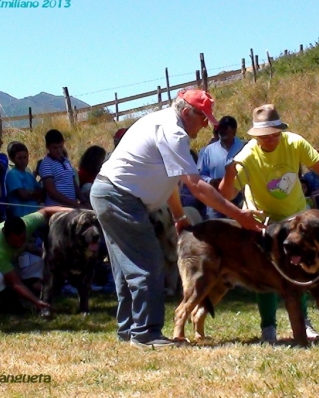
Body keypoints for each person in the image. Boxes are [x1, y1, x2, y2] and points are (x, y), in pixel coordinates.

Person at [91, 89, 264, 349]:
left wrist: (179, 214)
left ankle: (128, 329)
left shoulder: (162, 123)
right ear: (186, 112)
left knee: (126, 268)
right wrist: (238, 215)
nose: (207, 124)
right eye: (203, 117)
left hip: (110, 194)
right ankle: (146, 334)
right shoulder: (174, 132)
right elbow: (196, 186)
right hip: (120, 198)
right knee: (148, 263)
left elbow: (171, 179)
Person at [219, 104, 319, 342]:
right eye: (266, 137)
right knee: (266, 275)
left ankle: (304, 323)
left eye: (275, 134)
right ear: (256, 136)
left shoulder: (294, 142)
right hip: (263, 223)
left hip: (296, 218)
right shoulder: (246, 156)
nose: (272, 139)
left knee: (302, 271)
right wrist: (230, 174)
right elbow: (226, 194)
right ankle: (268, 328)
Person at [0, 206, 70, 313]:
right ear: (5, 234)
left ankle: (29, 287)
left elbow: (46, 210)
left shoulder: (28, 223)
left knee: (37, 262)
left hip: (9, 261)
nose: (19, 244)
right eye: (15, 242)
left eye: (22, 239)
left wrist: (77, 212)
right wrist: (37, 302)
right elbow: (15, 282)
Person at [197, 116, 245, 218]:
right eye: (220, 129)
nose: (221, 131)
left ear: (234, 130)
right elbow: (200, 175)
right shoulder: (208, 151)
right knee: (216, 231)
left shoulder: (244, 148)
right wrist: (211, 181)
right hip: (215, 199)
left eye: (225, 129)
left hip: (240, 199)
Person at [38, 129, 90, 208]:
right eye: (55, 148)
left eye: (60, 147)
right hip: (56, 207)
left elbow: (74, 184)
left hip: (71, 206)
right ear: (47, 147)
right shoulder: (46, 164)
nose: (58, 151)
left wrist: (84, 201)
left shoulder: (66, 161)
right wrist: (75, 204)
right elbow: (51, 192)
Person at [5, 143, 42, 218]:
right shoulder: (12, 174)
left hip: (34, 214)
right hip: (20, 216)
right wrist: (34, 194)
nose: (22, 161)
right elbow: (23, 195)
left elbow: (41, 193)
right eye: (19, 158)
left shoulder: (29, 175)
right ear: (12, 159)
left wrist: (30, 192)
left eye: (25, 157)